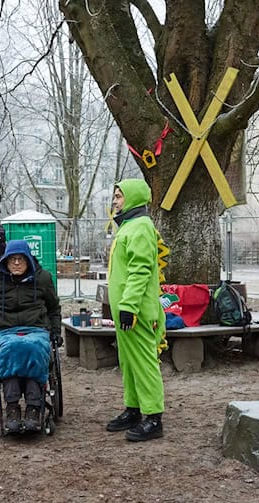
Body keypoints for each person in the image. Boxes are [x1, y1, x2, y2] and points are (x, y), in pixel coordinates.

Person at [0, 240, 61, 433]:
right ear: (5, 260)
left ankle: (33, 406)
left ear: (29, 260)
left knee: (34, 347)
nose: (16, 263)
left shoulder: (43, 279)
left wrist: (55, 332)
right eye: (12, 259)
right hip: (2, 331)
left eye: (20, 259)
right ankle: (12, 406)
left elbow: (54, 308)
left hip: (35, 329)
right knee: (11, 347)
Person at [106, 179, 166, 441]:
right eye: (115, 197)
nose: (116, 202)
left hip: (137, 310)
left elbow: (140, 270)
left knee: (143, 362)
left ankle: (154, 418)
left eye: (119, 197)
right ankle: (133, 409)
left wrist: (129, 306)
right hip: (126, 310)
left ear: (132, 198)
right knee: (128, 362)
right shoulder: (130, 226)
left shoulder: (140, 227)